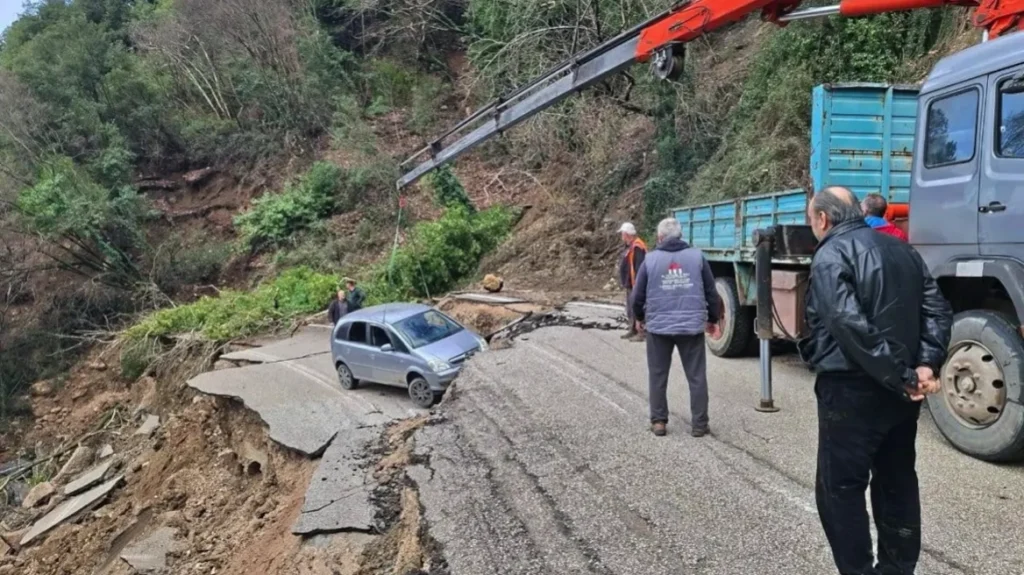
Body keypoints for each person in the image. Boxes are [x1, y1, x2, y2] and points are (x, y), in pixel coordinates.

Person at [798, 186, 952, 575]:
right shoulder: (903, 250)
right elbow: (937, 309)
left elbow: (849, 324)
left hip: (852, 389)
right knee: (897, 478)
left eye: (811, 220)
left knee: (840, 489)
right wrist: (925, 367)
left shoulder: (830, 254)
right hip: (901, 393)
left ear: (823, 219)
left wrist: (902, 376)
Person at [631, 217, 722, 438]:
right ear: (681, 236)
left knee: (658, 375)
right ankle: (700, 424)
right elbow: (712, 293)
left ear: (660, 238)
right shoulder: (697, 257)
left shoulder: (650, 260)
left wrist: (640, 317)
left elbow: (637, 296)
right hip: (691, 328)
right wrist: (712, 319)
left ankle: (659, 422)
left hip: (658, 328)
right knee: (697, 376)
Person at [618, 222, 648, 342]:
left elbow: (639, 267)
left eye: (622, 234)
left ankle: (641, 333)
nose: (621, 236)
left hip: (635, 284)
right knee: (630, 308)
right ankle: (633, 329)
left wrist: (638, 285)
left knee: (637, 307)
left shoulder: (637, 247)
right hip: (630, 283)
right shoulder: (631, 246)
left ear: (626, 234)